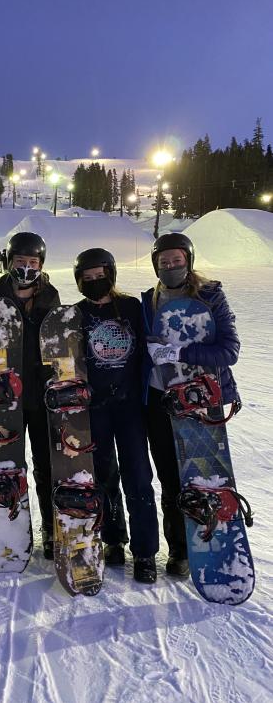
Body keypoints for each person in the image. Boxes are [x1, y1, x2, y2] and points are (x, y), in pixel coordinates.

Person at [142, 232, 241, 577]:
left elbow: (229, 350)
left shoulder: (210, 296)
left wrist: (180, 352)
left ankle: (213, 535)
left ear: (189, 260)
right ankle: (180, 550)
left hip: (200, 396)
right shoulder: (148, 301)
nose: (170, 267)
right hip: (160, 398)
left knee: (201, 473)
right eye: (164, 262)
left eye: (177, 260)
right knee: (170, 478)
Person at [74, 248, 159, 583]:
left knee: (138, 476)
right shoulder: (76, 314)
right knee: (104, 476)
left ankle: (145, 551)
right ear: (80, 282)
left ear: (111, 274)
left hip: (129, 408)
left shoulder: (131, 308)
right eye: (89, 279)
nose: (96, 283)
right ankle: (112, 539)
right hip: (95, 408)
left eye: (101, 276)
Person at [0, 232, 60, 559]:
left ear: (41, 265)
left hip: (41, 396)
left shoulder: (50, 296)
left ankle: (51, 527)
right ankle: (10, 527)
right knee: (8, 465)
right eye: (21, 262)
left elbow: (63, 341)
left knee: (47, 465)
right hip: (8, 397)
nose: (26, 268)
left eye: (33, 263)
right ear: (10, 263)